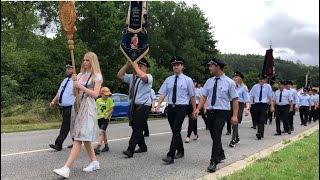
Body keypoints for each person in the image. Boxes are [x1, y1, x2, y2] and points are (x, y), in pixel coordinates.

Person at [53, 52, 102, 178]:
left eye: (87, 60)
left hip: (88, 107)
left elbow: (96, 94)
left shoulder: (96, 76)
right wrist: (75, 83)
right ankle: (94, 162)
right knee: (84, 137)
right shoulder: (80, 75)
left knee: (79, 137)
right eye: (84, 60)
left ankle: (66, 168)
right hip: (77, 106)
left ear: (92, 61)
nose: (85, 62)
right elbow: (75, 93)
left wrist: (80, 85)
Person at [194, 57, 239, 172]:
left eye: (211, 66)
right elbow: (204, 96)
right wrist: (198, 109)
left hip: (222, 112)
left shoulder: (229, 82)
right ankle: (221, 153)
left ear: (218, 66)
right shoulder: (209, 82)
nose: (209, 68)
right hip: (210, 112)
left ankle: (214, 161)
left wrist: (234, 116)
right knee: (214, 135)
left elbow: (235, 100)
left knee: (217, 134)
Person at [156, 55, 196, 164]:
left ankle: (170, 155)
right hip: (171, 108)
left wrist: (194, 109)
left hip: (182, 107)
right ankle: (181, 151)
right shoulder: (168, 80)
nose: (175, 67)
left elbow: (192, 96)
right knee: (175, 131)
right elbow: (163, 93)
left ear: (182, 66)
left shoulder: (187, 80)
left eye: (178, 65)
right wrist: (158, 104)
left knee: (176, 129)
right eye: (174, 65)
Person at [117, 57, 153, 158]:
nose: (139, 67)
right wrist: (128, 65)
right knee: (134, 126)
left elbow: (143, 77)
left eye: (141, 66)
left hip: (143, 106)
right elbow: (120, 75)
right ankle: (143, 146)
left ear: (146, 68)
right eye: (138, 65)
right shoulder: (133, 77)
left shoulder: (148, 76)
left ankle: (130, 149)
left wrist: (135, 66)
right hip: (133, 105)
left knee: (137, 128)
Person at [49, 62, 75, 151]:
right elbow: (59, 92)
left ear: (74, 70)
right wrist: (53, 101)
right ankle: (76, 142)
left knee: (65, 125)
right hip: (64, 107)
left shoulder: (76, 81)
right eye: (67, 69)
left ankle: (58, 144)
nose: (67, 70)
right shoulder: (65, 80)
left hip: (72, 107)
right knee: (72, 126)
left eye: (69, 69)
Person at [249, 74, 274, 140]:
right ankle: (260, 132)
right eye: (260, 79)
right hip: (256, 104)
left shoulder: (268, 86)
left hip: (264, 104)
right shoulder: (255, 86)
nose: (261, 81)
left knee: (261, 119)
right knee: (257, 119)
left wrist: (272, 106)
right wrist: (250, 104)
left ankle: (260, 133)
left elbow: (270, 97)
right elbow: (251, 95)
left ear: (265, 80)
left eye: (262, 79)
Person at [229, 71, 250, 147]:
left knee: (235, 121)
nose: (235, 78)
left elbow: (246, 99)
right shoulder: (231, 86)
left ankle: (233, 140)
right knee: (232, 122)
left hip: (239, 105)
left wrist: (247, 109)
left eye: (237, 76)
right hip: (231, 104)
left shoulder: (244, 87)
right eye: (234, 77)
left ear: (240, 78)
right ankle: (237, 138)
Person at [94, 87, 114, 154]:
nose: (107, 96)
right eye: (105, 95)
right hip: (99, 118)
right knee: (103, 133)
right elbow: (95, 109)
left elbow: (112, 109)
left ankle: (98, 147)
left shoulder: (110, 100)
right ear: (101, 94)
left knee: (101, 132)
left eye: (108, 95)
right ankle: (106, 146)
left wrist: (107, 116)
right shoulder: (98, 100)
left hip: (105, 118)